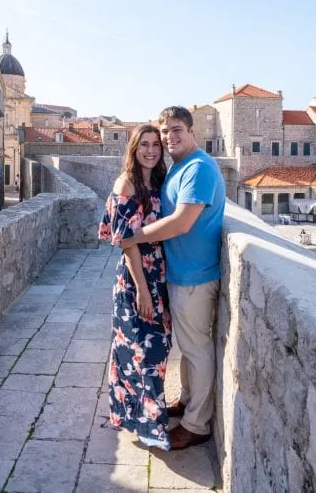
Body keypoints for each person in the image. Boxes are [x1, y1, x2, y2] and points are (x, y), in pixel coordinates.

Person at [120, 106, 225, 451]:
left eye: (176, 130)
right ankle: (186, 400)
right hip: (179, 274)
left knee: (196, 350)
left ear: (192, 131)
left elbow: (181, 223)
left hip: (194, 277)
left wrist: (136, 236)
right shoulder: (179, 167)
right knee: (188, 348)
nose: (169, 137)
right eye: (165, 132)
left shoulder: (198, 169)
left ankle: (197, 424)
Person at [98, 124, 172, 450]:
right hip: (135, 280)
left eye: (156, 145)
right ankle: (149, 426)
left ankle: (136, 415)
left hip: (159, 277)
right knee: (144, 351)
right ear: (134, 147)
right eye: (144, 144)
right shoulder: (125, 183)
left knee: (151, 351)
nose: (151, 150)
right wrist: (142, 289)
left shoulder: (156, 181)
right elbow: (127, 243)